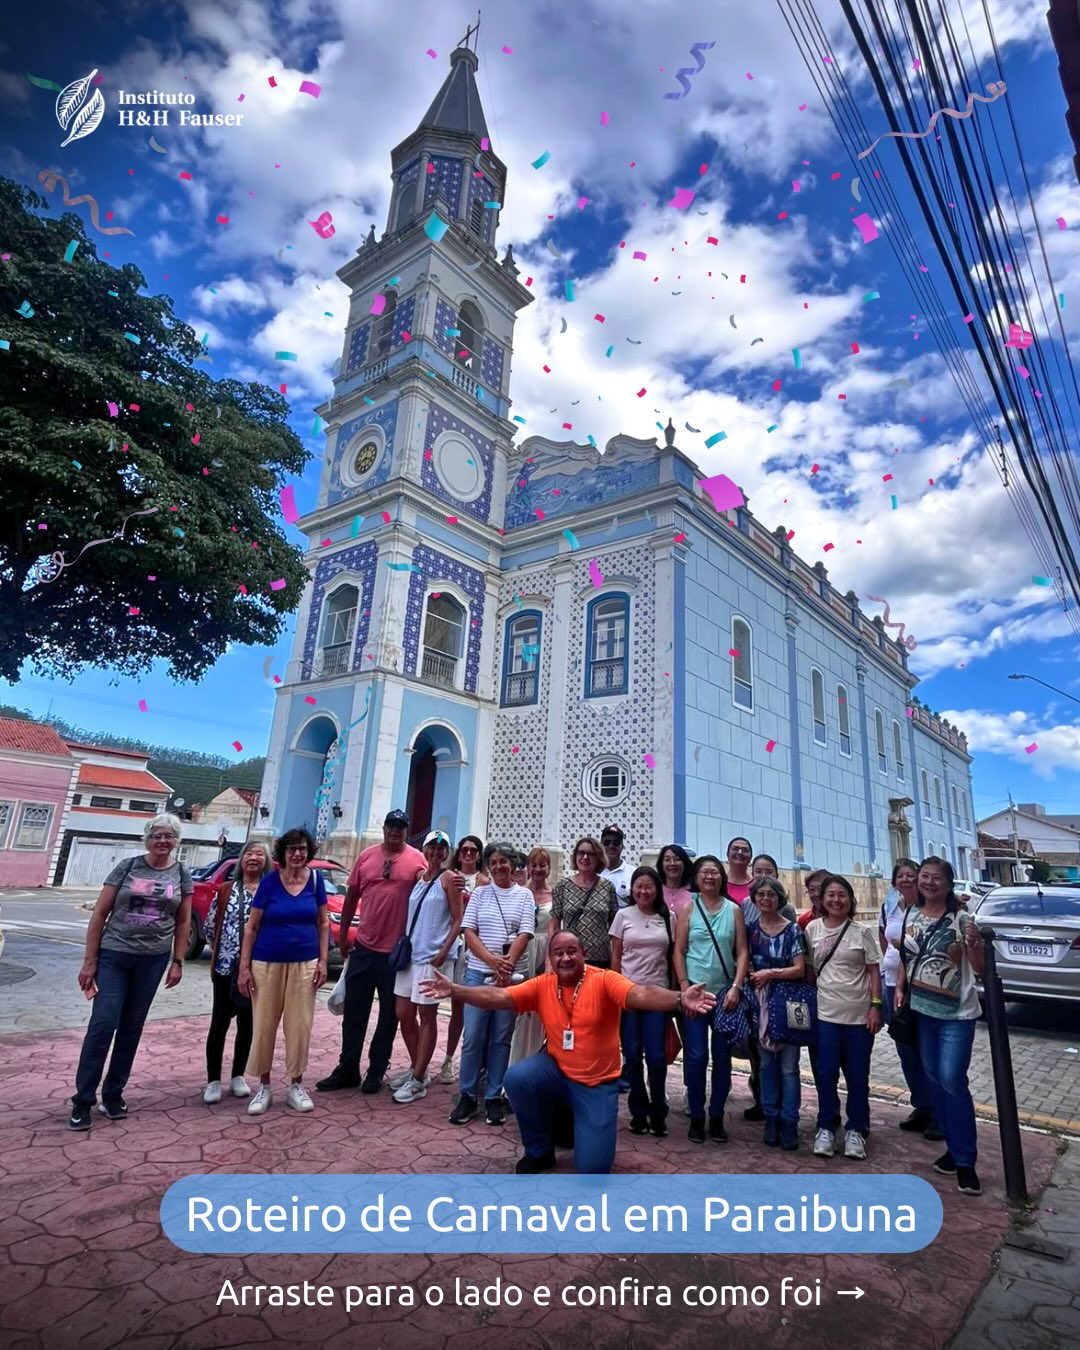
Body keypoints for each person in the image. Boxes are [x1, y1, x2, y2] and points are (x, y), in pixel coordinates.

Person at [423, 931, 716, 1173]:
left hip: (596, 1083)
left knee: (593, 1171)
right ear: (550, 959)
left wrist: (679, 999)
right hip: (557, 1071)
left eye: (571, 951)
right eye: (558, 953)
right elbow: (499, 996)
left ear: (583, 953)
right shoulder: (543, 985)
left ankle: (579, 1129)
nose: (565, 958)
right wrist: (455, 990)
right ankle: (539, 1151)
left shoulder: (604, 979)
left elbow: (640, 994)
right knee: (518, 1078)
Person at [69, 814, 193, 1130]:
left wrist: (177, 961)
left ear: (176, 841)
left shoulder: (181, 873)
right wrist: (90, 960)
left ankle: (113, 1094)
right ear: (147, 838)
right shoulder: (128, 867)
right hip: (114, 955)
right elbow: (99, 913)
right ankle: (83, 1100)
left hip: (152, 961)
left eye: (169, 837)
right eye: (157, 836)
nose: (163, 841)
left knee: (131, 1027)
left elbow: (182, 922)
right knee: (103, 1023)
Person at [316, 809, 426, 1095]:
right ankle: (347, 1068)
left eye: (401, 827)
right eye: (391, 826)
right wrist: (342, 939)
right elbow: (351, 894)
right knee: (355, 1013)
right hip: (364, 947)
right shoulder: (366, 857)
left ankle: (377, 1070)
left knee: (389, 1018)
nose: (395, 831)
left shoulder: (417, 859)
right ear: (385, 828)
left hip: (396, 953)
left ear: (406, 830)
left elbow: (429, 896)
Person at [895, 856, 985, 1196]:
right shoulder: (911, 914)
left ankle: (965, 1161)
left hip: (956, 1015)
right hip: (922, 1012)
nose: (929, 883)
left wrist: (975, 943)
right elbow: (908, 956)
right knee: (933, 1081)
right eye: (924, 877)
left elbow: (978, 968)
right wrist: (901, 989)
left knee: (951, 1081)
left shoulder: (962, 918)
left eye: (937, 878)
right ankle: (952, 1146)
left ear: (948, 884)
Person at [238, 828, 329, 1115]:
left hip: (305, 962)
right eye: (292, 849)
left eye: (302, 849)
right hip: (267, 963)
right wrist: (244, 966)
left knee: (299, 1025)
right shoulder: (269, 884)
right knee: (264, 1024)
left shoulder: (316, 881)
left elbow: (323, 923)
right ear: (283, 854)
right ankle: (264, 1087)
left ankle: (296, 1085)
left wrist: (324, 961)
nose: (297, 854)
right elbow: (251, 927)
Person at [449, 843, 536, 1127]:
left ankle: (493, 1095)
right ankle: (467, 1094)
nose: (498, 866)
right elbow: (469, 932)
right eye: (494, 862)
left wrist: (506, 965)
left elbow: (525, 933)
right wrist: (492, 961)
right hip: (478, 974)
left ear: (512, 864)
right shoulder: (480, 894)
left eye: (504, 861)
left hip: (509, 979)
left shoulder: (524, 895)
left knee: (501, 1037)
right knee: (473, 1034)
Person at [805, 874, 882, 1160]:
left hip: (859, 1018)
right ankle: (826, 1126)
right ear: (822, 899)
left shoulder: (861, 932)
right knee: (825, 1075)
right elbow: (811, 971)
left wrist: (876, 1006)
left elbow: (874, 970)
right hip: (826, 1016)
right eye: (831, 895)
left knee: (858, 1077)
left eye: (842, 895)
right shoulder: (812, 929)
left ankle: (856, 1130)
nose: (836, 900)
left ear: (850, 900)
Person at [673, 855, 749, 1143]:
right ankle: (696, 1115)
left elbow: (742, 952)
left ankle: (716, 1116)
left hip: (724, 996)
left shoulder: (734, 910)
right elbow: (678, 951)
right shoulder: (688, 909)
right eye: (704, 872)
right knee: (695, 1057)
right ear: (696, 878)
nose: (709, 877)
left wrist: (737, 987)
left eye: (714, 872)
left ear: (722, 877)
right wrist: (683, 986)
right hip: (695, 993)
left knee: (722, 1059)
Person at [387, 831, 465, 1105]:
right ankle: (416, 1066)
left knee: (426, 1015)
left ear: (446, 853)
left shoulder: (449, 879)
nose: (436, 852)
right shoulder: (420, 877)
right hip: (410, 956)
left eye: (441, 848)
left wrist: (443, 952)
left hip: (432, 957)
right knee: (404, 1014)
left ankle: (419, 1079)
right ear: (425, 849)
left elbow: (458, 919)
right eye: (432, 846)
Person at [203, 841, 272, 1104]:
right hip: (225, 967)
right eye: (249, 854)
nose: (254, 858)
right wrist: (225, 950)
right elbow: (210, 927)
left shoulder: (269, 893)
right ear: (241, 860)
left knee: (247, 1025)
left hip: (257, 970)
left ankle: (237, 1076)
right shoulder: (225, 890)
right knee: (218, 1024)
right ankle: (212, 1081)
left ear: (266, 862)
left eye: (259, 855)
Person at [610, 866, 675, 1136]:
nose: (643, 891)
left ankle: (658, 1110)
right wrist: (614, 989)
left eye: (649, 887)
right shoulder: (622, 915)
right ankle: (639, 1111)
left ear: (657, 889)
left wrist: (673, 994)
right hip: (629, 994)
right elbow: (616, 956)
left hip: (658, 995)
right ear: (632, 888)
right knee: (633, 1054)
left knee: (658, 1057)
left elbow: (673, 957)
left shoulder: (668, 917)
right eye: (639, 886)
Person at [745, 875, 806, 1150]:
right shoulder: (749, 929)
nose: (766, 899)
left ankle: (789, 1121)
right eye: (761, 895)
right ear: (755, 899)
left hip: (788, 1004)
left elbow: (800, 968)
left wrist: (770, 973)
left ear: (780, 898)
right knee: (766, 1065)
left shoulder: (792, 930)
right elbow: (743, 962)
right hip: (760, 1005)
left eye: (771, 894)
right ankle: (770, 1118)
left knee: (789, 1068)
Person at [879, 857, 938, 1138]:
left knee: (927, 1049)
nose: (905, 880)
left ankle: (940, 1112)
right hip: (892, 984)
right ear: (894, 882)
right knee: (905, 1047)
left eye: (910, 875)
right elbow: (883, 937)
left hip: (919, 985)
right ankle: (922, 1106)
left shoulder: (925, 908)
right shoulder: (890, 906)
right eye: (900, 876)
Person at [438, 834, 488, 1085]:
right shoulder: (448, 877)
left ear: (479, 855)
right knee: (440, 1004)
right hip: (449, 944)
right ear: (458, 854)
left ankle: (456, 1060)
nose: (468, 854)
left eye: (473, 850)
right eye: (465, 850)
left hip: (472, 949)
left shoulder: (485, 882)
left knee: (466, 1006)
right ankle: (437, 1059)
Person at [510, 847, 555, 1064]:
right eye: (533, 865)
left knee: (537, 1013)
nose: (537, 869)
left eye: (542, 865)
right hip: (523, 950)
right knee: (517, 1011)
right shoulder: (519, 892)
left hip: (543, 952)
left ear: (548, 868)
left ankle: (532, 1060)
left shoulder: (554, 895)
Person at [550, 837, 619, 967]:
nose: (585, 857)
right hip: (569, 957)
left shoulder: (608, 887)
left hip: (600, 959)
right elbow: (554, 925)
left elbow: (615, 928)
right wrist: (551, 959)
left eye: (591, 854)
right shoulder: (563, 886)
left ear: (598, 858)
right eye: (581, 853)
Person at [751, 854, 799, 922]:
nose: (764, 876)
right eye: (758, 872)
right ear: (752, 874)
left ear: (777, 875)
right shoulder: (746, 904)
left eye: (769, 872)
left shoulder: (786, 909)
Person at [600, 825, 635, 907]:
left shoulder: (634, 873)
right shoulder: (593, 872)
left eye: (616, 843)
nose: (611, 846)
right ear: (600, 846)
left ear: (622, 846)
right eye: (607, 843)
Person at [657, 843, 694, 918]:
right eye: (667, 860)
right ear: (661, 864)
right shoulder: (655, 890)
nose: (672, 863)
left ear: (685, 863)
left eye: (677, 859)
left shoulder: (694, 893)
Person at [724, 837, 754, 905]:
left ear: (751, 857)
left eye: (745, 850)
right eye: (735, 849)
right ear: (727, 855)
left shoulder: (757, 884)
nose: (740, 852)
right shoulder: (718, 883)